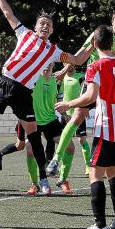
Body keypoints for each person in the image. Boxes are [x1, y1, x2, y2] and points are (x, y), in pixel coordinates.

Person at [0, 0, 94, 195]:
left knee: (33, 135)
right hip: (5, 83)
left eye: (49, 25)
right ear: (36, 27)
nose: (45, 26)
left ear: (52, 31)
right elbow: (8, 13)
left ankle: (43, 180)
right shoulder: (23, 33)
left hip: (23, 92)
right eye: (42, 23)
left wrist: (91, 45)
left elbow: (76, 60)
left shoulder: (54, 51)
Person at [55, 25, 115, 229]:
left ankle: (100, 224)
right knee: (111, 171)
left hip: (107, 129)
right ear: (113, 44)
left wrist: (68, 104)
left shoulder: (95, 66)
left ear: (94, 44)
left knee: (95, 173)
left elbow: (90, 97)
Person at [48, 7, 115, 175]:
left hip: (112, 81)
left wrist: (104, 47)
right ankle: (56, 158)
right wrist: (63, 71)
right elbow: (79, 57)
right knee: (77, 117)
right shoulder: (99, 33)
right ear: (111, 21)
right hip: (93, 79)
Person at [25, 63, 75, 195]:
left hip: (50, 120)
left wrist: (65, 115)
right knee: (29, 149)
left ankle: (63, 180)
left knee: (70, 147)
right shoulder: (33, 78)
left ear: (53, 64)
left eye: (49, 64)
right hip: (33, 121)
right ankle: (35, 184)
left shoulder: (58, 80)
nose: (46, 66)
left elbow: (59, 100)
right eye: (44, 63)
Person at [59, 64, 91, 175]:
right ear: (64, 65)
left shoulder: (81, 76)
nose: (69, 65)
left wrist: (85, 107)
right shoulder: (61, 78)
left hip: (79, 113)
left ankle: (88, 167)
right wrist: (64, 114)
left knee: (82, 140)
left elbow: (88, 91)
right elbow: (59, 97)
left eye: (71, 63)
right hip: (66, 115)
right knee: (64, 142)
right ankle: (61, 167)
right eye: (66, 63)